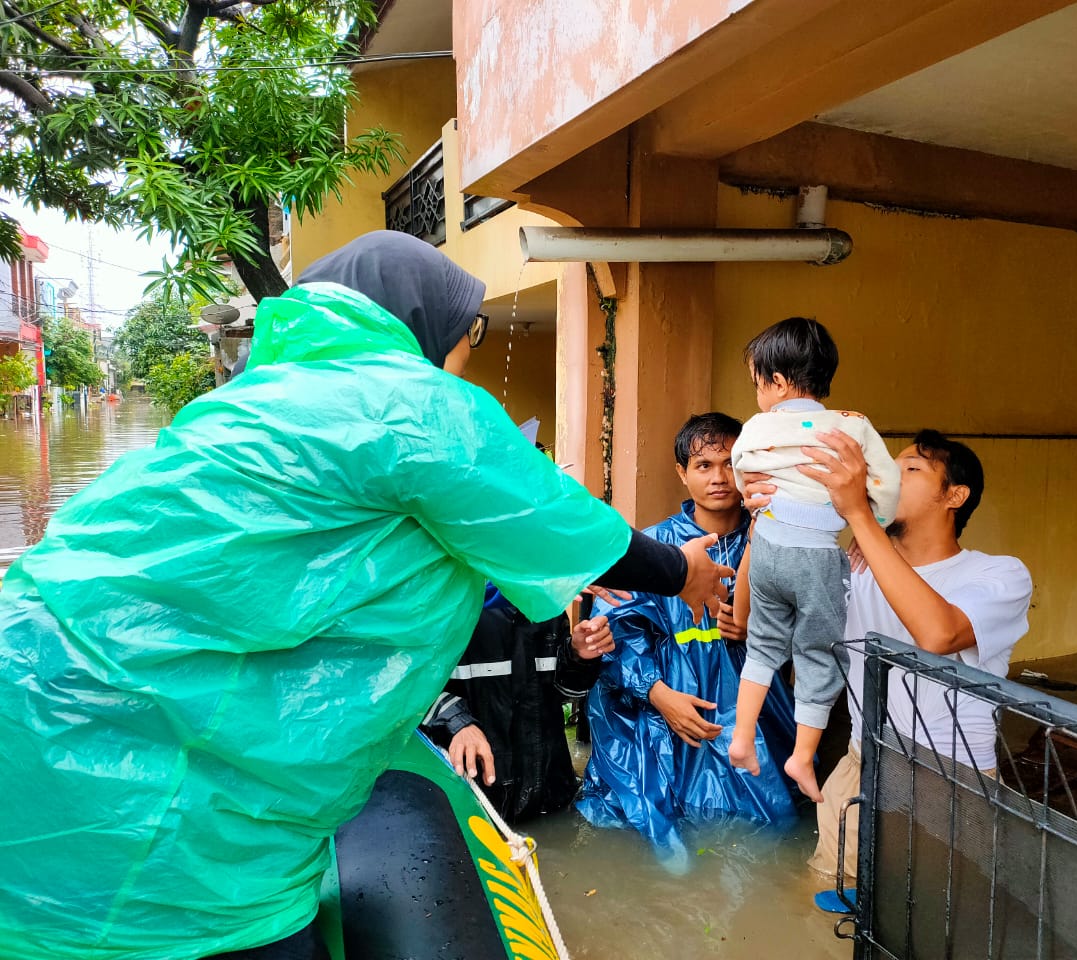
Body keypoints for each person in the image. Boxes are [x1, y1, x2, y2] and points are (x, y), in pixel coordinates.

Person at [0, 231, 735, 960]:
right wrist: (685, 573)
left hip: (33, 698)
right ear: (421, 327)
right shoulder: (411, 405)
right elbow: (565, 525)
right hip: (142, 774)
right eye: (466, 335)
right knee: (199, 911)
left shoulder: (246, 404)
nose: (466, 356)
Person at [744, 427, 1032, 901]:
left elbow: (937, 633)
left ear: (954, 496)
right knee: (830, 912)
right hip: (862, 768)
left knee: (937, 920)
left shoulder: (999, 573)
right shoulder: (853, 566)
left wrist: (861, 518)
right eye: (888, 468)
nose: (886, 478)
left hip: (951, 784)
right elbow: (753, 622)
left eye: (911, 469)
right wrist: (769, 526)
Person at [576, 413, 798, 871]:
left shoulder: (777, 546)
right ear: (682, 472)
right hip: (662, 718)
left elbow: (817, 629)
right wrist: (660, 696)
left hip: (749, 714)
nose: (718, 477)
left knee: (768, 836)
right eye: (703, 465)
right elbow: (613, 634)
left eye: (729, 463)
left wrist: (761, 629)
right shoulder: (653, 550)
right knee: (655, 836)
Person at [727, 317, 899, 803]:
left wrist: (752, 495)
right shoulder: (852, 424)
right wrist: (873, 529)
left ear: (777, 382)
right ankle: (802, 756)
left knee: (762, 646)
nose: (758, 394)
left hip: (768, 549)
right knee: (817, 655)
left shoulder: (757, 426)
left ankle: (741, 739)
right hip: (816, 555)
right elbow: (886, 485)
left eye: (757, 382)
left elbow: (743, 470)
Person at [421, 584, 614, 823]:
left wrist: (578, 654)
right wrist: (458, 724)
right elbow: (403, 689)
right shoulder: (448, 605)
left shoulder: (548, 609)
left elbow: (566, 691)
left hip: (552, 796)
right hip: (474, 802)